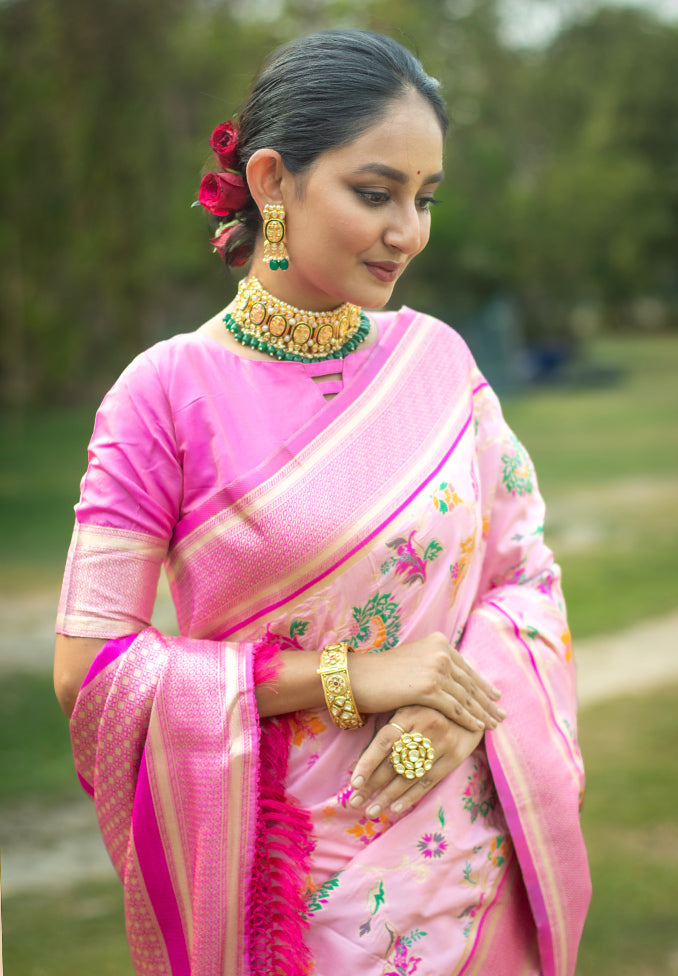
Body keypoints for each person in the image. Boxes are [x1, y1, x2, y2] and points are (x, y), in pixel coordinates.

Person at [54, 29, 590, 976]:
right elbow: (90, 663)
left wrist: (459, 704)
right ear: (270, 181)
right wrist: (351, 675)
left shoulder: (440, 365)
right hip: (288, 895)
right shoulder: (163, 394)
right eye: (375, 193)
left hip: (470, 864)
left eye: (424, 200)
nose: (408, 232)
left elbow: (526, 577)